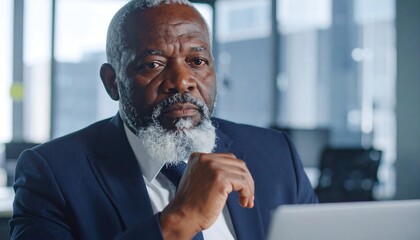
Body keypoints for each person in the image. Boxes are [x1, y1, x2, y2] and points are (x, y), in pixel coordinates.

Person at [9, 0, 318, 239]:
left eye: (197, 61)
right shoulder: (53, 173)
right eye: (153, 64)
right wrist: (178, 221)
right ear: (112, 82)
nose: (182, 80)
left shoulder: (276, 155)